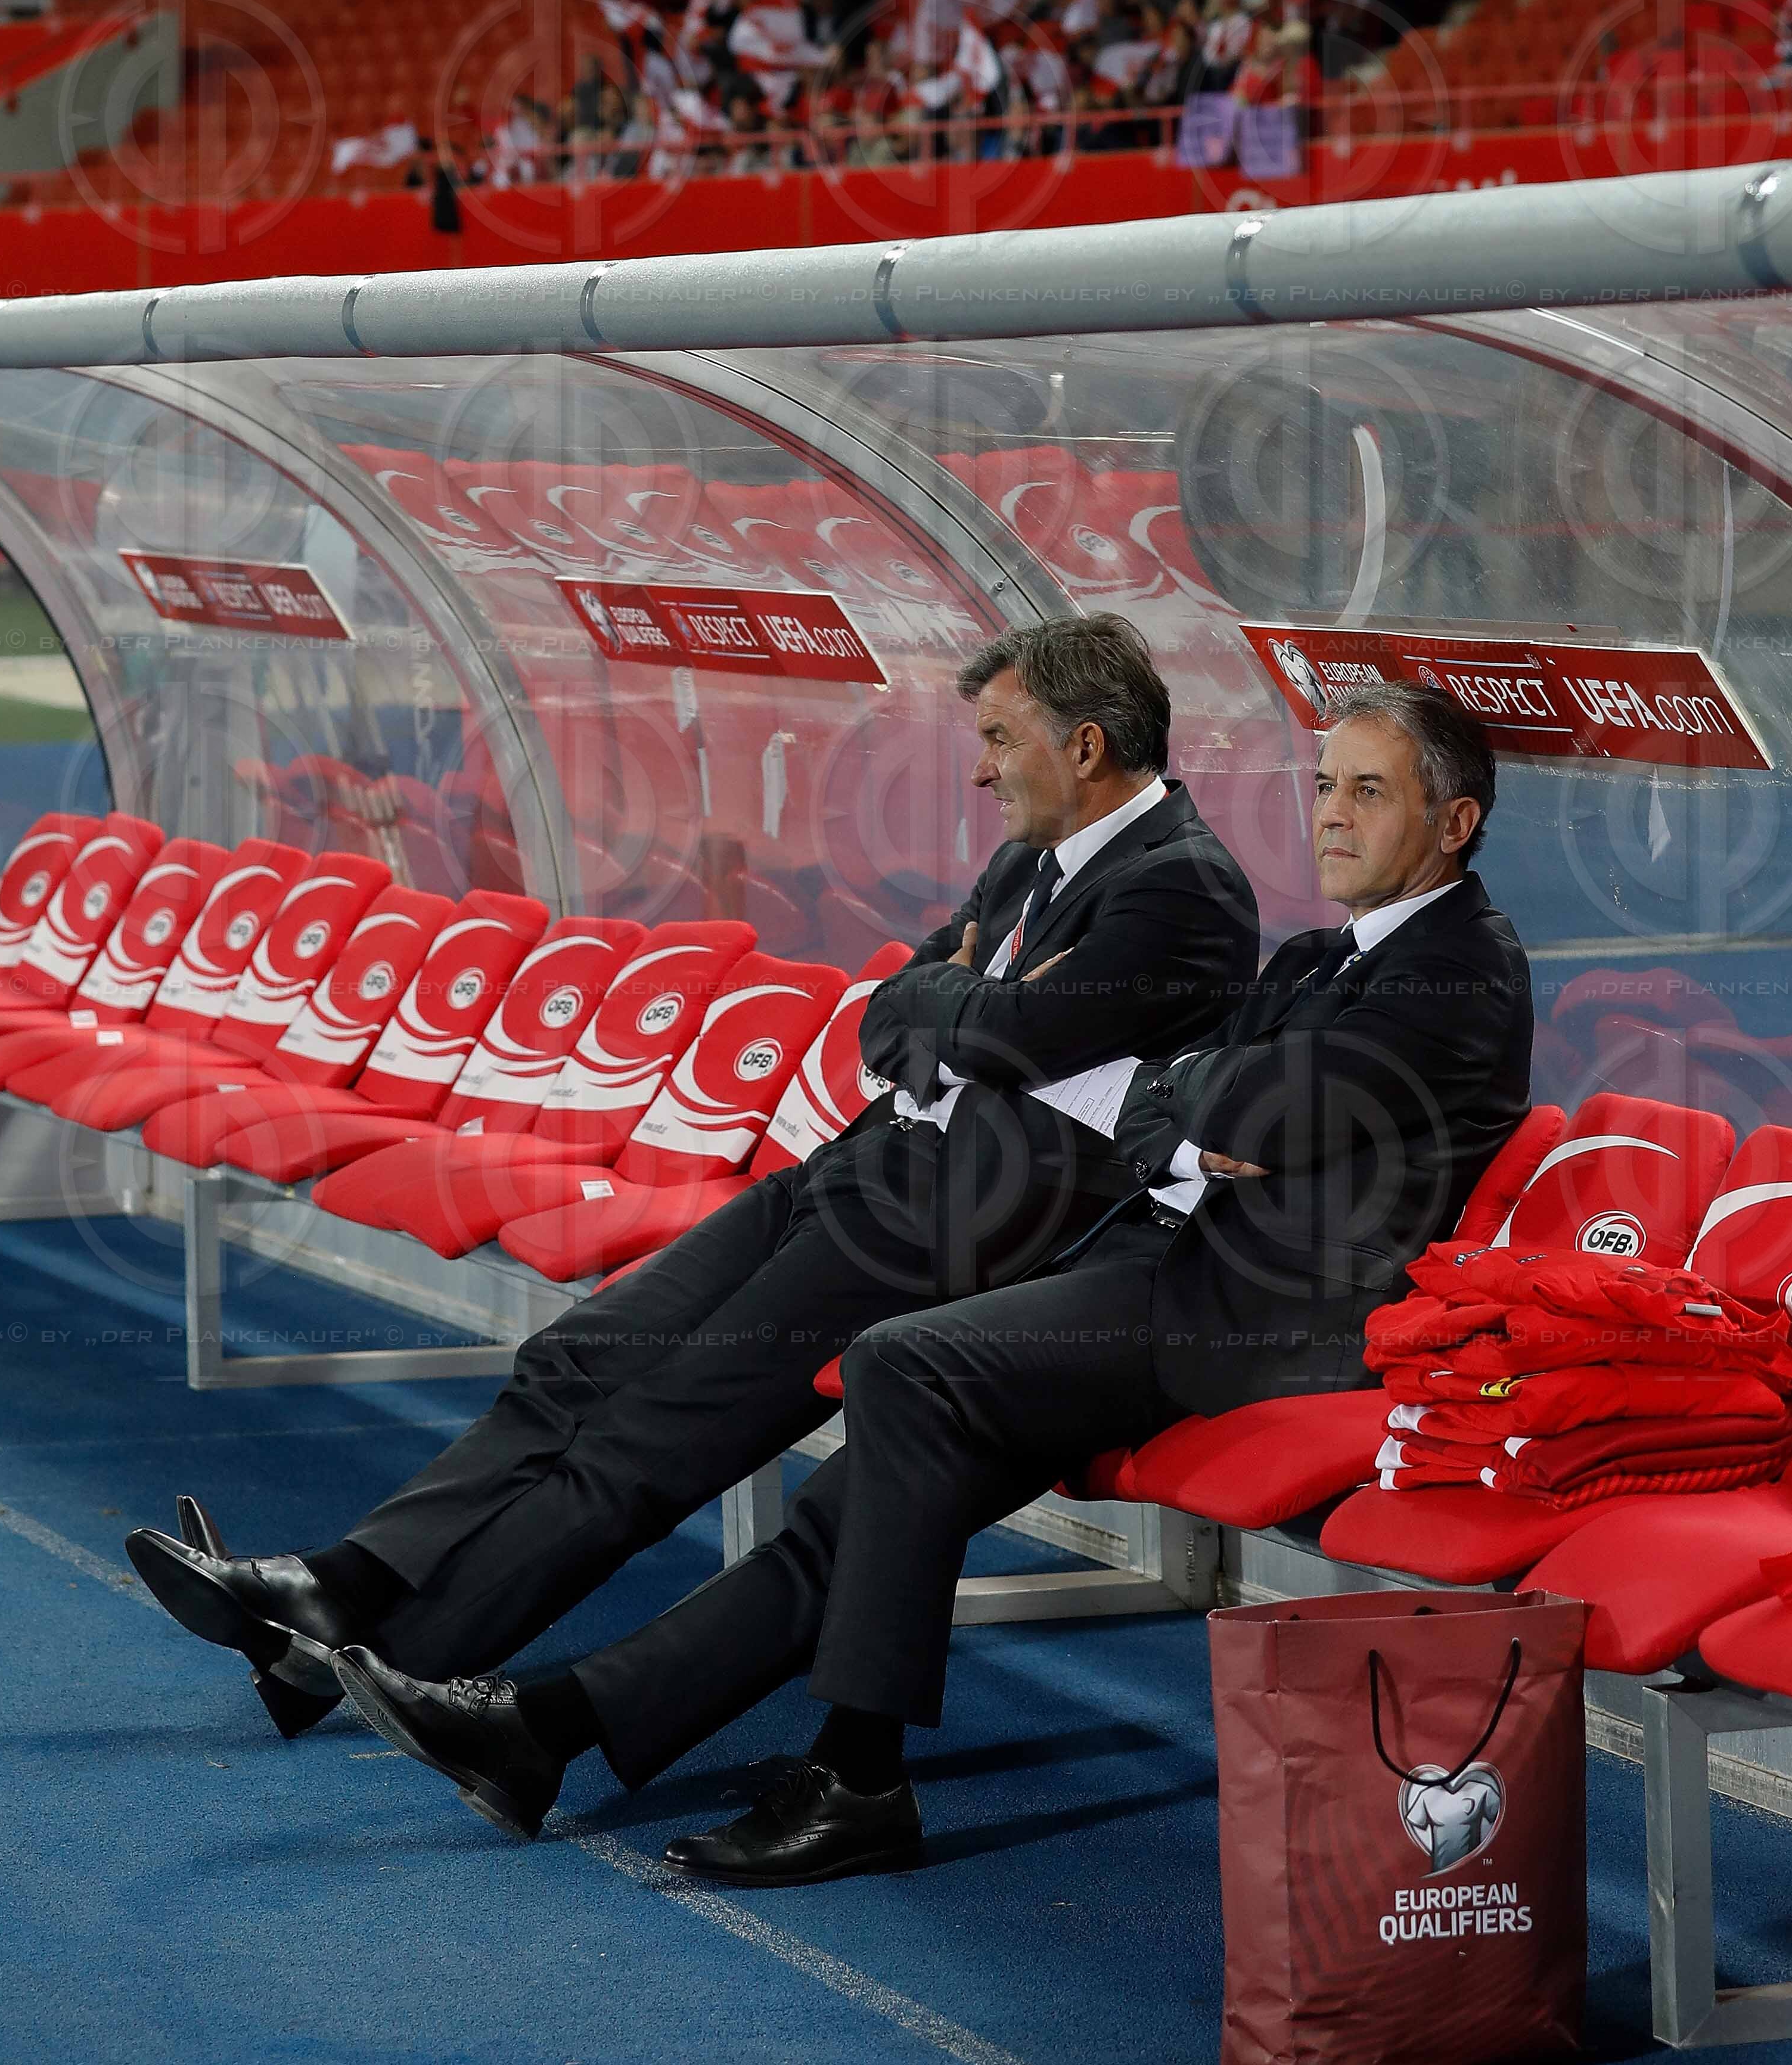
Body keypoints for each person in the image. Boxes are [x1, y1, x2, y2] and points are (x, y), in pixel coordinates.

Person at [327, 686, 1529, 1881]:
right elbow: (1181, 1098)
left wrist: (1201, 1102)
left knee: (904, 1360)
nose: (1331, 814)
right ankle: (551, 1730)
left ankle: (858, 1776)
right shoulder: (1321, 955)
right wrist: (1195, 1106)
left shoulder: (1459, 972)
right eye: (1323, 784)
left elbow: (1249, 1104)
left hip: (1255, 1320)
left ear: (1454, 820)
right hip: (1151, 1264)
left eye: (1368, 790)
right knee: (867, 1493)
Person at [124, 614, 1257, 1738]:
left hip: (944, 1227)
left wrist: (956, 1009)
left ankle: (373, 1661)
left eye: (1003, 740)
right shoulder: (1030, 863)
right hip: (855, 1170)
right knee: (576, 1359)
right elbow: (890, 1016)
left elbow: (1001, 1038)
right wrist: (955, 1007)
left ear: (1089, 747)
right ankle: (343, 1588)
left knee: (652, 1437)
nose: (982, 769)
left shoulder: (1184, 891)